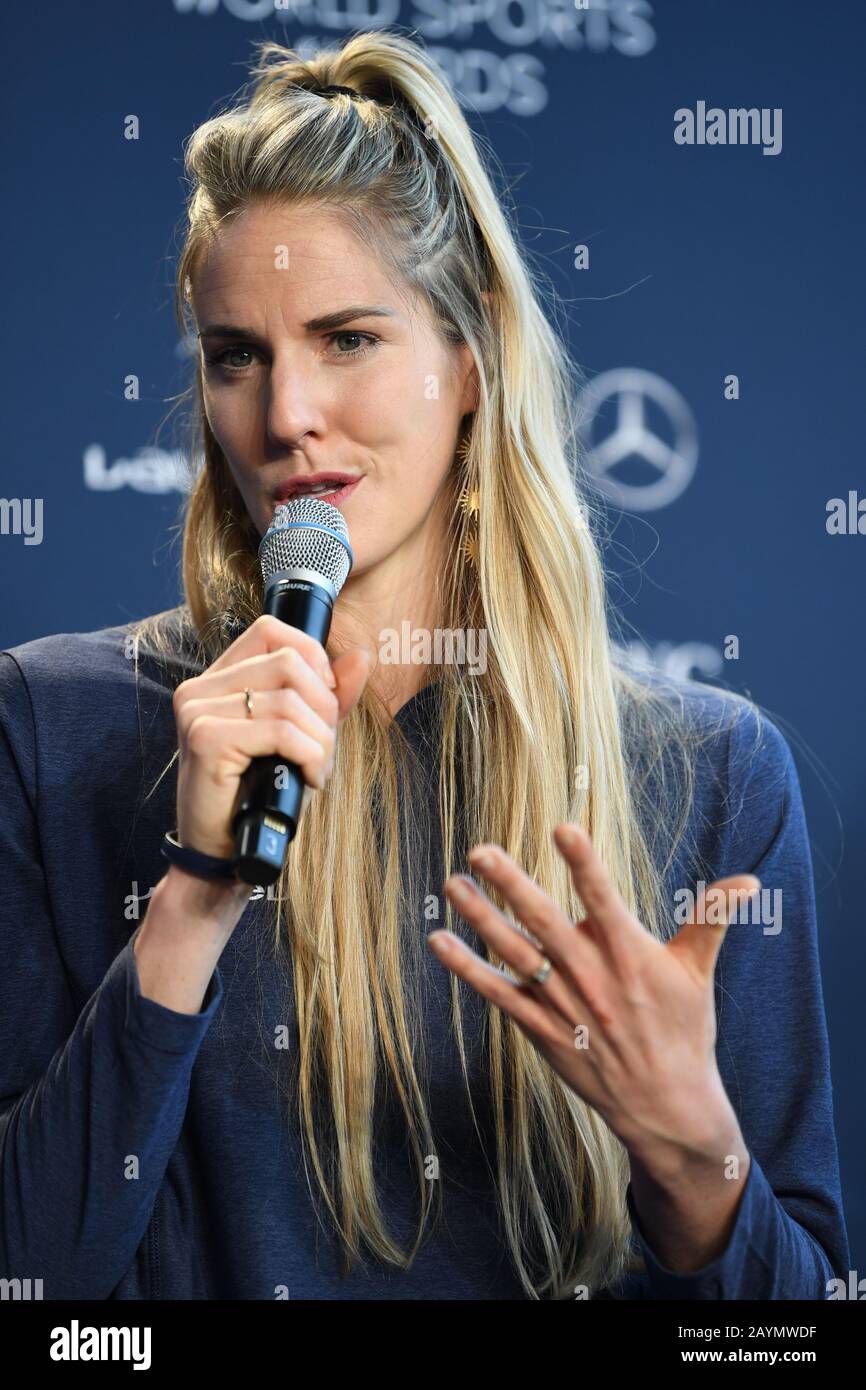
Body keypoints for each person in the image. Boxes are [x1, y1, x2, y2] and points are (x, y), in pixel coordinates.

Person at [0, 32, 849, 1301]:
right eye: (236, 354)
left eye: (345, 338)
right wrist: (191, 895)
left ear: (470, 359)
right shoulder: (55, 722)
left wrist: (694, 1160)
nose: (284, 412)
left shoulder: (708, 772)